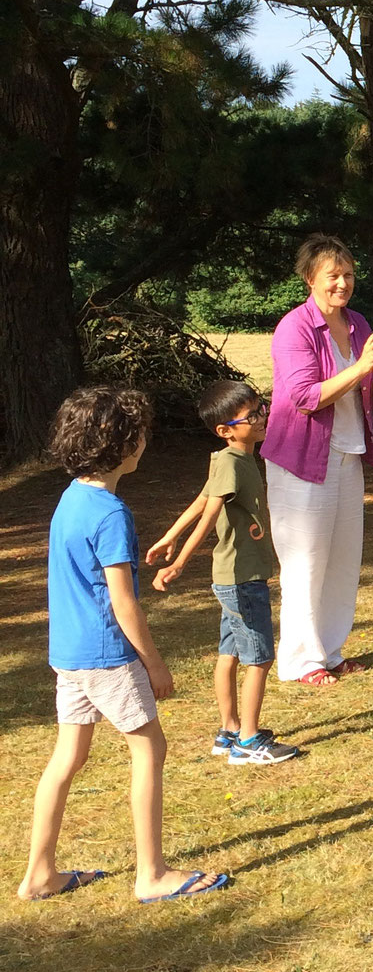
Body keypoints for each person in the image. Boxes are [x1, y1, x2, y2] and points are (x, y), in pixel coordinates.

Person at [17, 387, 231, 904]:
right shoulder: (110, 513)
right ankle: (151, 875)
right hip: (108, 655)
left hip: (68, 655)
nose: (144, 442)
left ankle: (39, 876)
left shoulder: (71, 496)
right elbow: (123, 603)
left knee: (68, 756)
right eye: (140, 434)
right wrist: (153, 663)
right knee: (149, 747)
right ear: (123, 443)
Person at [264, 234, 373, 685]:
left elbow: (359, 394)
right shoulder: (294, 328)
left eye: (349, 275)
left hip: (347, 452)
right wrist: (361, 368)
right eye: (333, 276)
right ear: (310, 279)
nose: (343, 284)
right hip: (301, 460)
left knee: (343, 559)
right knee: (305, 561)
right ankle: (301, 661)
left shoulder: (357, 322)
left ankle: (331, 651)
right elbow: (304, 397)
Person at [145, 380, 300, 766]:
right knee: (260, 659)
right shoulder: (231, 462)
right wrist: (178, 561)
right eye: (251, 416)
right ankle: (248, 740)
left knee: (228, 652)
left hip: (233, 579)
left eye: (260, 408)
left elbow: (200, 499)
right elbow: (210, 513)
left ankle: (229, 730)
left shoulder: (228, 459)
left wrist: (168, 536)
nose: (262, 417)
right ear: (225, 430)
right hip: (242, 579)